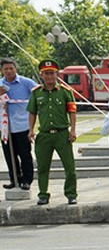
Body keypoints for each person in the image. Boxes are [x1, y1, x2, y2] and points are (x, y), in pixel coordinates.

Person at [26, 59, 78, 205]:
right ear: (41, 75)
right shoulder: (36, 93)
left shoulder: (65, 92)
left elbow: (72, 112)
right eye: (46, 74)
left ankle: (71, 194)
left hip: (62, 134)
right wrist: (31, 130)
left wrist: (73, 130)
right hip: (44, 135)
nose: (49, 77)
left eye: (52, 73)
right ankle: (43, 194)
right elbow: (32, 113)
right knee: (42, 167)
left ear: (57, 74)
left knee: (70, 167)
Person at [0, 57, 37, 191]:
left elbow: (38, 93)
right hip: (5, 127)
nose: (9, 71)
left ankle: (27, 180)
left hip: (23, 125)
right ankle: (14, 179)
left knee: (25, 154)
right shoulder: (0, 84)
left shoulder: (26, 83)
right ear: (2, 70)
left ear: (16, 69)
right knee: (10, 155)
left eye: (11, 68)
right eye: (6, 69)